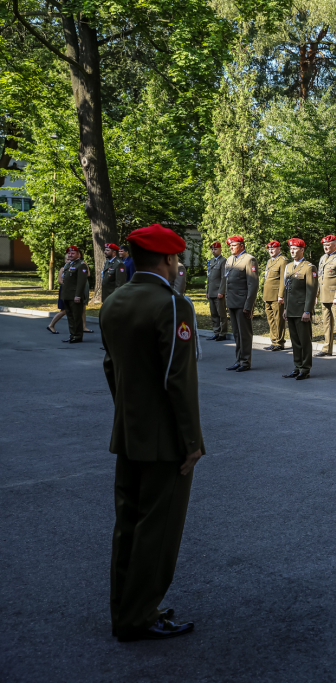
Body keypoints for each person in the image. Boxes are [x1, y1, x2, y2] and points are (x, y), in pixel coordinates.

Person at [100, 223, 203, 642]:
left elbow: (111, 368)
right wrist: (192, 441)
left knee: (128, 526)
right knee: (157, 533)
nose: (178, 265)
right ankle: (139, 617)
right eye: (177, 258)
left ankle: (125, 609)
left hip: (128, 431)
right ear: (167, 260)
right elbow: (176, 379)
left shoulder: (114, 301)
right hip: (165, 441)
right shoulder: (173, 305)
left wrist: (129, 413)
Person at [279, 238, 317, 380]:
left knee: (304, 340)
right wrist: (285, 309)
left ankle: (305, 369)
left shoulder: (309, 267)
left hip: (302, 310)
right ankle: (297, 366)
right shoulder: (288, 267)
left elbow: (311, 291)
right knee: (295, 341)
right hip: (291, 310)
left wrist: (307, 311)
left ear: (302, 250)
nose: (292, 251)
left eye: (295, 249)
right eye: (291, 249)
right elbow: (287, 290)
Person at [223, 236, 259, 372]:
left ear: (242, 246)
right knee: (237, 334)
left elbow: (253, 284)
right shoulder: (230, 259)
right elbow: (227, 282)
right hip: (232, 302)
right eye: (230, 245)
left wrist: (248, 305)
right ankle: (238, 360)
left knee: (244, 334)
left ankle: (245, 361)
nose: (231, 247)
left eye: (234, 245)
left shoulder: (249, 260)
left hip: (242, 302)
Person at [316, 235, 336, 358]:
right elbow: (320, 277)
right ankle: (326, 348)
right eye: (324, 245)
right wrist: (317, 294)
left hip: (335, 296)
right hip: (324, 295)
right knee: (326, 323)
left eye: (328, 245)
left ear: (334, 245)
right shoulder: (323, 258)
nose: (326, 247)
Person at [262, 240, 288, 351]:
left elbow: (283, 279)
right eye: (269, 249)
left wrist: (281, 295)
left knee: (279, 320)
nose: (271, 251)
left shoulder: (283, 261)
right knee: (271, 319)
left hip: (277, 295)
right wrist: (264, 295)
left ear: (279, 249)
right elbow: (267, 279)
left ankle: (280, 342)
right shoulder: (270, 261)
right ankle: (273, 341)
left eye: (273, 249)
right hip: (268, 295)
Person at [60, 245, 89, 343]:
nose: (70, 255)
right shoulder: (68, 265)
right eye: (69, 253)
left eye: (72, 253)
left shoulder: (81, 265)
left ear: (78, 254)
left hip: (75, 296)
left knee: (76, 317)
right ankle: (72, 335)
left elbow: (81, 282)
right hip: (67, 295)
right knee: (70, 316)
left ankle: (78, 336)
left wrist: (78, 295)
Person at [204, 242, 228, 342]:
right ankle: (216, 332)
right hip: (211, 292)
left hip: (219, 292)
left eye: (216, 249)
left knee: (221, 314)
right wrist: (207, 291)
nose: (214, 251)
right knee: (213, 314)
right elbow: (209, 278)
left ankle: (223, 333)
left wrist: (221, 291)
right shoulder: (211, 261)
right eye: (212, 250)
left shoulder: (223, 261)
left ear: (220, 249)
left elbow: (224, 277)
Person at [48, 252, 73, 334]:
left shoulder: (74, 268)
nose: (69, 261)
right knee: (64, 310)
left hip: (72, 291)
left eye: (70, 259)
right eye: (67, 259)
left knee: (71, 310)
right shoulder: (63, 269)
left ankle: (74, 330)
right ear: (65, 260)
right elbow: (60, 281)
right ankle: (51, 325)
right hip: (64, 290)